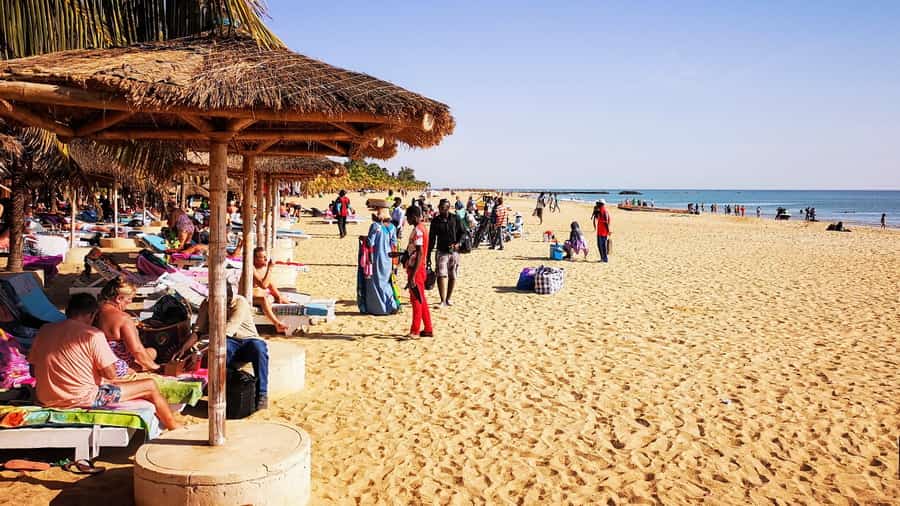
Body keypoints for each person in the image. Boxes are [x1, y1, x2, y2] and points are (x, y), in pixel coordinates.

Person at [28, 294, 180, 429]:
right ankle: (173, 426)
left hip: (45, 397)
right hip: (82, 398)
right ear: (92, 315)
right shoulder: (92, 335)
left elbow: (33, 371)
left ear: (68, 312)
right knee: (150, 385)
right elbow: (111, 374)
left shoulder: (45, 331)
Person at [193, 284, 270, 409]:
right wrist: (187, 347)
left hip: (246, 339)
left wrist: (202, 349)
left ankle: (262, 393)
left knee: (259, 349)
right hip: (226, 341)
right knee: (225, 350)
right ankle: (224, 388)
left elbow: (226, 332)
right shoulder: (206, 304)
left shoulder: (240, 303)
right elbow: (198, 330)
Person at [95, 277, 160, 372]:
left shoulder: (95, 311)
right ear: (119, 298)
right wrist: (156, 367)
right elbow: (137, 350)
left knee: (152, 352)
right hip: (114, 366)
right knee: (148, 357)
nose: (130, 302)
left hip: (97, 361)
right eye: (129, 298)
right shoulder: (123, 318)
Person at [358, 206, 400, 315]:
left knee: (376, 283)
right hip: (388, 258)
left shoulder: (375, 226)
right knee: (386, 282)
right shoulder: (392, 227)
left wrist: (364, 238)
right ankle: (391, 305)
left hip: (377, 258)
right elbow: (394, 243)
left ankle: (379, 308)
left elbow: (370, 243)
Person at [401, 206, 432, 337]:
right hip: (417, 268)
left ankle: (415, 330)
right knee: (421, 299)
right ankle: (428, 329)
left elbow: (419, 253)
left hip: (417, 269)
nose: (407, 220)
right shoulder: (421, 228)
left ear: (414, 217)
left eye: (408, 217)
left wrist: (413, 275)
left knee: (416, 300)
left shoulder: (419, 230)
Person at [428, 199, 465, 307]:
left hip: (454, 252)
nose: (440, 209)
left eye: (443, 208)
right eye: (440, 207)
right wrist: (428, 254)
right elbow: (431, 239)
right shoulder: (435, 221)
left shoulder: (455, 219)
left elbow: (463, 233)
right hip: (441, 252)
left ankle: (449, 298)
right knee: (441, 275)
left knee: (452, 275)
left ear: (448, 208)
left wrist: (458, 244)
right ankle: (442, 300)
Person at [252, 247, 289, 333]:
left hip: (260, 295)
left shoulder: (262, 269)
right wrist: (270, 268)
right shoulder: (251, 269)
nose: (265, 259)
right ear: (255, 259)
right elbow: (264, 285)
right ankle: (277, 324)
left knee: (281, 297)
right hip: (249, 297)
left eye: (265, 257)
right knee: (263, 299)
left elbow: (270, 284)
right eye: (262, 257)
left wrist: (278, 295)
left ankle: (298, 310)